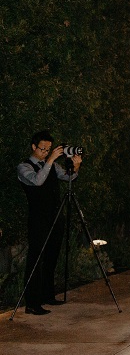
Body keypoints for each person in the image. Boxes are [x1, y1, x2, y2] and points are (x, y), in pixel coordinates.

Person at [16, 130, 82, 315]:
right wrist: (51, 160)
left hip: (55, 216)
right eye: (43, 149)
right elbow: (37, 181)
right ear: (34, 147)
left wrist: (75, 167)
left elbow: (68, 177)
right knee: (36, 259)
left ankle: (47, 295)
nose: (46, 152)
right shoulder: (24, 167)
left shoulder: (51, 165)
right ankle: (32, 303)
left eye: (49, 150)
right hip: (38, 219)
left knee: (52, 256)